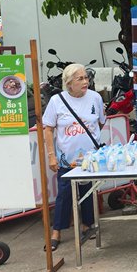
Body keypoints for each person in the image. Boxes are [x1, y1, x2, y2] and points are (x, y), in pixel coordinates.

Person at [43, 63, 105, 251]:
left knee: (88, 190)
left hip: (89, 158)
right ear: (69, 83)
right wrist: (51, 156)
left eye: (86, 78)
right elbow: (48, 129)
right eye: (80, 79)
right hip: (66, 158)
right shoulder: (56, 101)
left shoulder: (95, 98)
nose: (86, 82)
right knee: (64, 194)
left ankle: (87, 224)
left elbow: (100, 123)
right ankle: (57, 231)